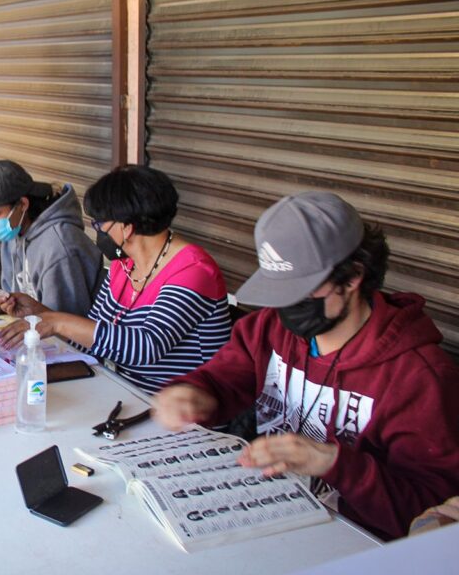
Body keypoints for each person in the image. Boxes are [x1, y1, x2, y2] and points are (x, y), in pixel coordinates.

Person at [153, 191, 459, 540]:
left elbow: (431, 517)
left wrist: (336, 464)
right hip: (273, 514)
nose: (285, 308)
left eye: (299, 291)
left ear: (353, 276)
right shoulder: (268, 326)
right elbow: (224, 378)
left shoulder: (418, 377)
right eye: (278, 291)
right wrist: (194, 394)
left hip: (357, 545)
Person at [0, 166, 231, 394]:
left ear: (126, 227)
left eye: (100, 224)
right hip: (125, 392)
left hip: (181, 413)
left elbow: (146, 347)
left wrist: (57, 321)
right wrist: (40, 313)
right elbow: (96, 340)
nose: (99, 232)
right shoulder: (125, 265)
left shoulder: (193, 271)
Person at [0, 160, 103, 314]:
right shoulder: (13, 232)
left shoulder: (59, 247)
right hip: (34, 330)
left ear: (23, 204)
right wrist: (10, 305)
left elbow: (65, 328)